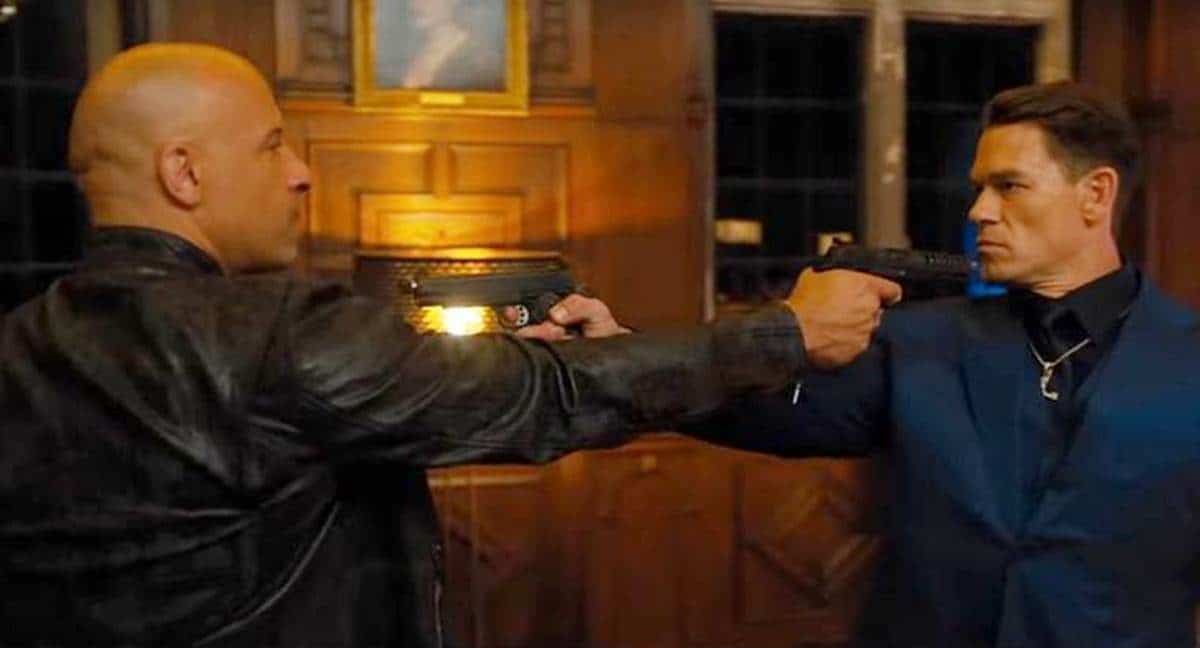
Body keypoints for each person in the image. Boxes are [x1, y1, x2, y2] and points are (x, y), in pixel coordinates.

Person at [0, 44, 899, 647]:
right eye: (273, 146)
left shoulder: (19, 343)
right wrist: (784, 333)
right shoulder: (277, 332)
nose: (302, 173)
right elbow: (548, 399)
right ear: (184, 172)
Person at [676, 81, 1200, 646]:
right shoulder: (916, 342)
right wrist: (628, 352)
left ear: (1095, 194)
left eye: (1009, 186)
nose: (979, 212)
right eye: (979, 189)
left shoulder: (1188, 359)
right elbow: (747, 407)